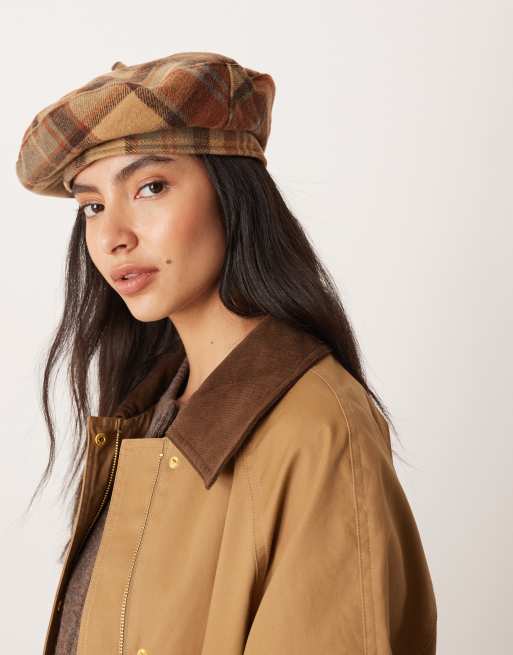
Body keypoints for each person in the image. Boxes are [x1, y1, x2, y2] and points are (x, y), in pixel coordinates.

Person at [16, 51, 437, 654]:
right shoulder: (152, 415)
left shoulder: (315, 430)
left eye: (151, 187)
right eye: (93, 206)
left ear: (233, 195)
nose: (112, 237)